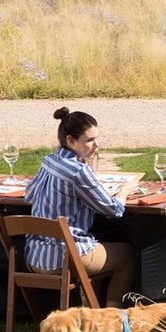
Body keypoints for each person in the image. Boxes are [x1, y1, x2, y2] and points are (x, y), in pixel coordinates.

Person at [24, 107, 140, 307]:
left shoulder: (49, 161)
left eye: (97, 138)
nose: (96, 145)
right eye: (89, 140)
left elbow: (29, 195)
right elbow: (113, 210)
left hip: (34, 257)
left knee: (95, 250)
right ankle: (110, 317)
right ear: (70, 141)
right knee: (127, 256)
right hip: (65, 258)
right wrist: (125, 190)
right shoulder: (78, 172)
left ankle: (90, 314)